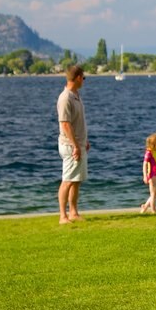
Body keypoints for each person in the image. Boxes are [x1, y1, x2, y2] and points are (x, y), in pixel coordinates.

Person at [57, 65, 90, 224]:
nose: (84, 81)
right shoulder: (65, 98)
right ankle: (63, 216)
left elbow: (78, 122)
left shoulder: (76, 95)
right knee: (68, 180)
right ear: (77, 78)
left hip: (79, 144)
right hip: (71, 146)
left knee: (76, 180)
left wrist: (84, 141)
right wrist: (76, 145)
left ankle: (73, 212)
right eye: (83, 78)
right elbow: (65, 124)